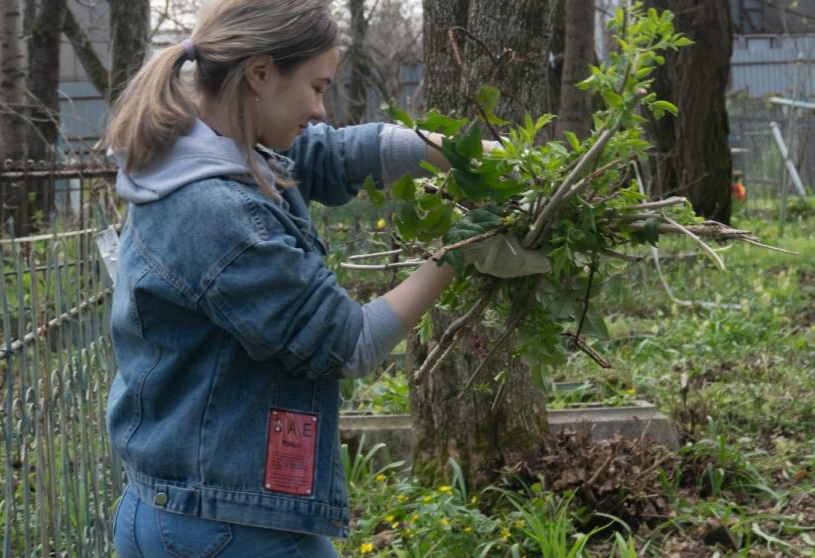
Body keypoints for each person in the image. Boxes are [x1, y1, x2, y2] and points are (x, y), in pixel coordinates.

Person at [103, 1, 546, 556]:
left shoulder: (204, 148)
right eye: (315, 87)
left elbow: (334, 153)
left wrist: (475, 156)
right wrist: (460, 250)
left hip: (193, 507)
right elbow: (347, 343)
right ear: (259, 74)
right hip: (226, 528)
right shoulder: (217, 211)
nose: (319, 108)